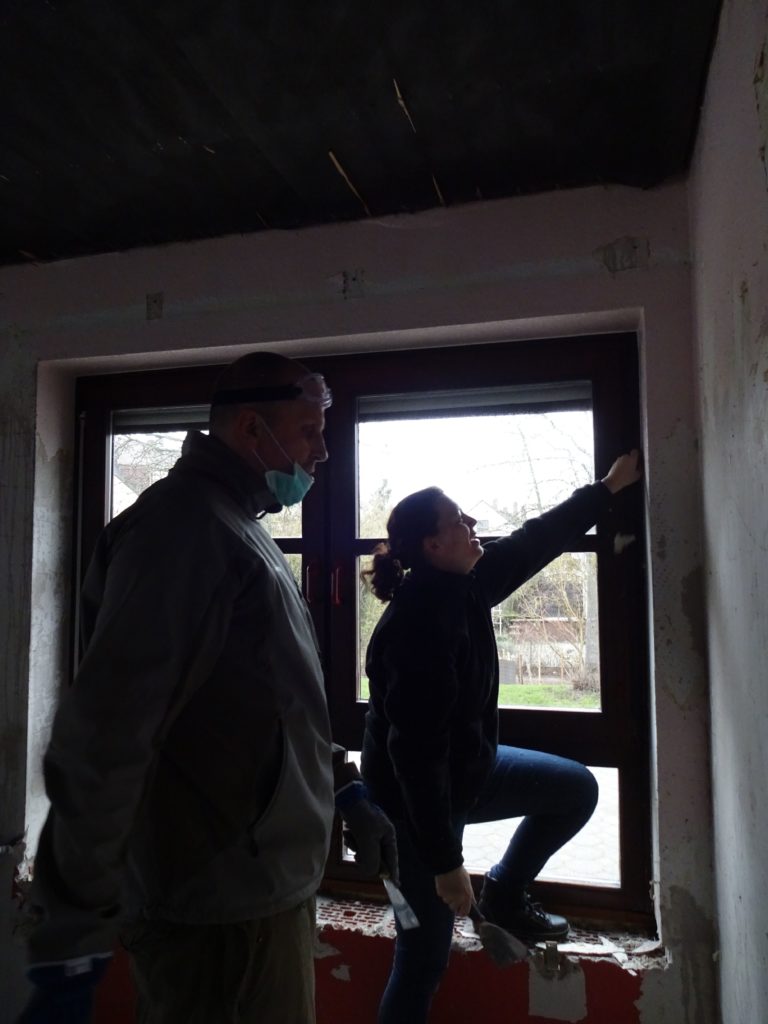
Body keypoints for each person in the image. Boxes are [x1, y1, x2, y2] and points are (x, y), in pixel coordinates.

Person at [20, 351, 397, 1024]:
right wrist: (71, 922)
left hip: (252, 892)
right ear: (252, 428)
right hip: (216, 909)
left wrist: (339, 783)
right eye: (309, 430)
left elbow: (261, 702)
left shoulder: (235, 525)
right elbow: (109, 730)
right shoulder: (183, 531)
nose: (322, 452)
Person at [360, 451, 643, 1023]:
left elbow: (535, 540)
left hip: (467, 772)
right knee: (423, 957)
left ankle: (505, 893)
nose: (472, 524)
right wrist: (446, 863)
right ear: (433, 545)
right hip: (413, 809)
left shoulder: (467, 583)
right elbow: (415, 756)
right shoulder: (418, 626)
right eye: (458, 520)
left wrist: (607, 488)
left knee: (575, 790)